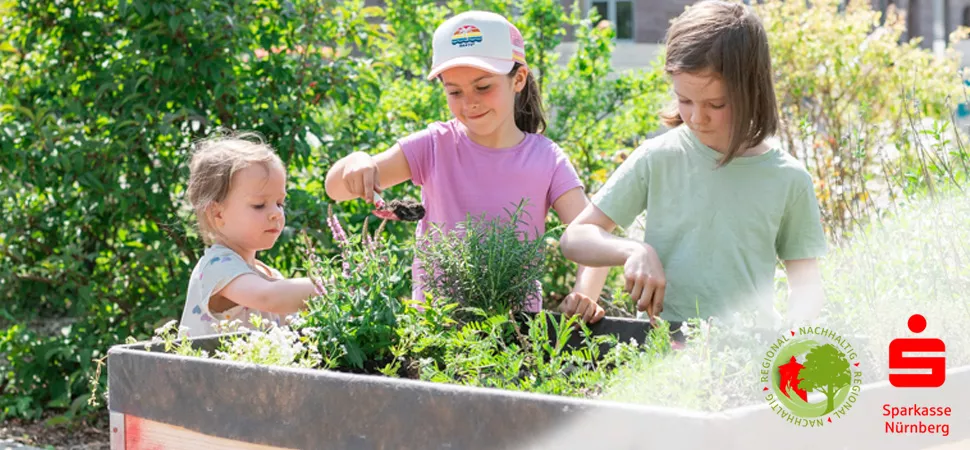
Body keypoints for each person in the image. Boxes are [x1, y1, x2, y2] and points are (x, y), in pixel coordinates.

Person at [325, 10, 608, 323]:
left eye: (483, 87)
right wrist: (356, 161)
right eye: (454, 92)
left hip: (515, 337)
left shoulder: (548, 160)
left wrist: (584, 295)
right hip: (435, 331)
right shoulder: (432, 146)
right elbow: (335, 189)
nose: (469, 102)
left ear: (518, 79)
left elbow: (592, 235)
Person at [559, 0, 827, 330]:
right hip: (660, 351)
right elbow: (576, 237)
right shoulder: (658, 157)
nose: (697, 117)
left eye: (716, 103)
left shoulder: (788, 179)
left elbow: (807, 287)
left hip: (746, 356)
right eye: (684, 100)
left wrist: (792, 338)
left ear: (751, 90)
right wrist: (634, 251)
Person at [179, 133, 318, 336]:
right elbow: (269, 298)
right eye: (259, 205)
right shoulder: (216, 267)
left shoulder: (270, 277)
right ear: (217, 214)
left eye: (280, 203)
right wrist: (339, 286)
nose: (276, 214)